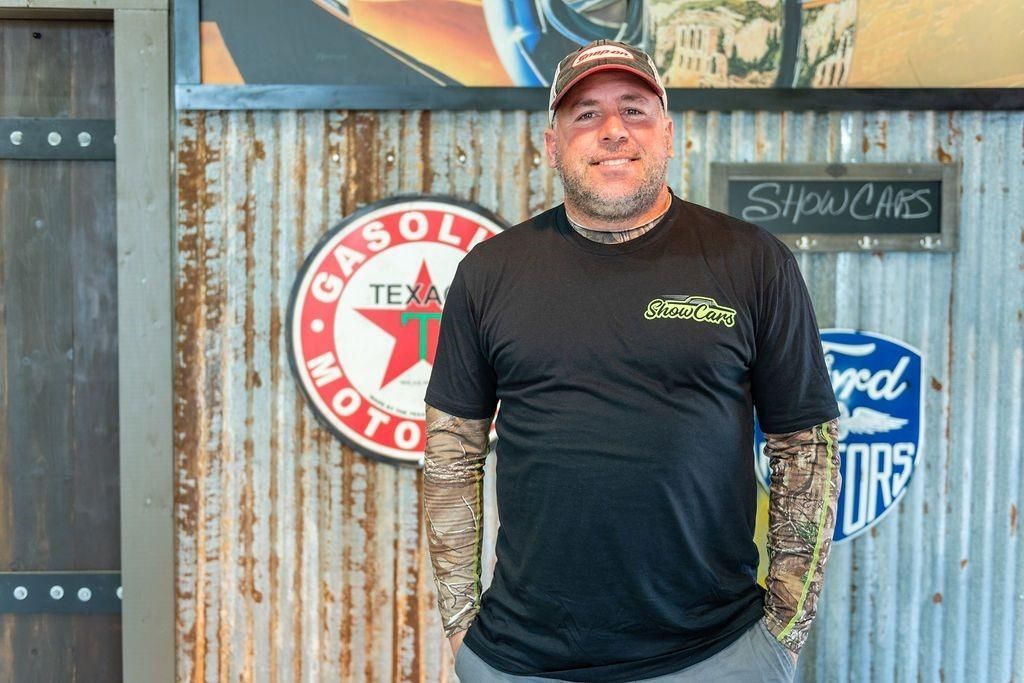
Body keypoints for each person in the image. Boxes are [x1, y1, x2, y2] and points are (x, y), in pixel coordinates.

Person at [422, 39, 841, 683]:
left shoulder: (752, 262)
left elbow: (804, 446)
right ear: (552, 144)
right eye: (585, 113)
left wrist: (785, 630)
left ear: (668, 135)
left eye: (634, 110)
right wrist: (459, 628)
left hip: (716, 655)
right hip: (520, 661)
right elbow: (452, 451)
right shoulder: (489, 273)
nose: (613, 130)